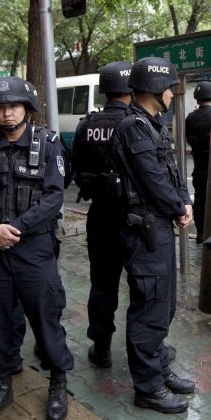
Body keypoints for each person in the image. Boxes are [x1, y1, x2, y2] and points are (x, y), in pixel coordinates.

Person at [0, 76, 73, 420]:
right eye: (0, 107)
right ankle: (2, 384)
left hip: (33, 248)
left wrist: (17, 229)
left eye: (13, 106)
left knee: (45, 316)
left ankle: (57, 381)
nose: (7, 114)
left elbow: (55, 196)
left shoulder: (49, 144)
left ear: (27, 109)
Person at [112, 57, 195, 414]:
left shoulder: (152, 124)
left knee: (164, 305)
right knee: (149, 308)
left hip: (159, 229)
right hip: (144, 230)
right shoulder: (133, 127)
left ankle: (159, 370)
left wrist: (185, 201)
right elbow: (151, 179)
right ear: (154, 90)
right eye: (170, 90)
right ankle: (147, 388)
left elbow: (171, 172)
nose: (173, 96)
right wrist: (178, 207)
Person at [72, 61, 133, 369]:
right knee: (142, 285)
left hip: (100, 217)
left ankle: (102, 347)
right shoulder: (137, 123)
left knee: (102, 284)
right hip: (134, 220)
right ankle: (146, 348)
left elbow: (76, 172)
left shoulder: (87, 125)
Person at [184, 81, 211, 244]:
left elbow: (188, 138)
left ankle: (201, 233)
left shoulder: (191, 118)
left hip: (199, 167)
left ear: (197, 99)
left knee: (200, 200)